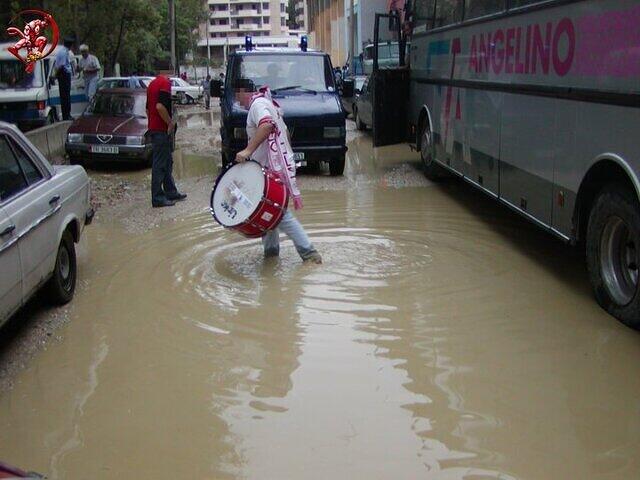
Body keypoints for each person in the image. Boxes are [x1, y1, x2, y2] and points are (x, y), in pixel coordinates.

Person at [234, 80, 322, 264]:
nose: (237, 101)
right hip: (275, 168)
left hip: (268, 170)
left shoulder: (257, 105)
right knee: (268, 214)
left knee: (280, 214)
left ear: (243, 92)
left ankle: (309, 253)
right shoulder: (267, 103)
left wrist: (248, 151)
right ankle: (271, 255)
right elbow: (286, 133)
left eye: (237, 95)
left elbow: (266, 126)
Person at [146, 75, 187, 208]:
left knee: (167, 161)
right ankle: (157, 197)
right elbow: (159, 106)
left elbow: (148, 109)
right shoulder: (165, 83)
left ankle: (170, 191)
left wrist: (152, 122)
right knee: (160, 164)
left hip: (154, 128)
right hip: (161, 130)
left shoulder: (152, 84)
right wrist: (169, 123)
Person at [52, 37, 74, 120]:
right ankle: (66, 115)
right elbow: (61, 66)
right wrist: (55, 76)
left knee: (65, 96)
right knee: (65, 96)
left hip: (63, 74)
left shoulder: (63, 51)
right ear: (70, 45)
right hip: (63, 74)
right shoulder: (64, 52)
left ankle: (67, 114)